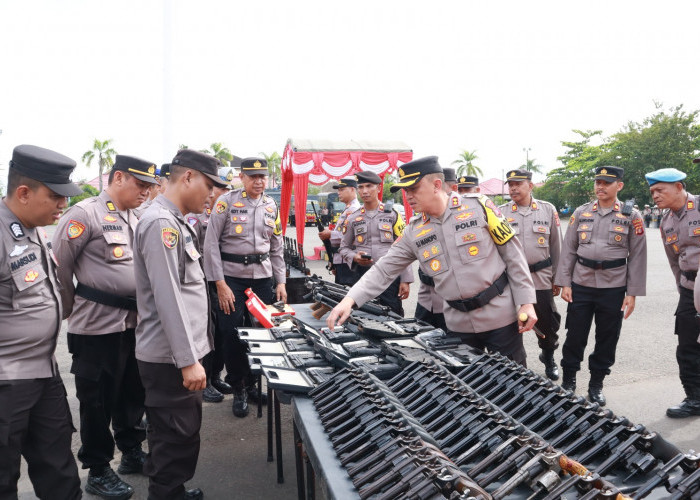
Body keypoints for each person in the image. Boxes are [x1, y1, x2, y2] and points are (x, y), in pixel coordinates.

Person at [328, 156, 537, 365]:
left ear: (437, 185)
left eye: (414, 189)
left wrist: (526, 302)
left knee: (513, 389)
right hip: (457, 326)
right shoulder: (414, 230)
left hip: (500, 318)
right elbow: (384, 269)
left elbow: (513, 254)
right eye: (405, 190)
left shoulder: (479, 206)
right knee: (469, 391)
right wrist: (350, 300)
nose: (408, 196)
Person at [53, 155, 158, 498]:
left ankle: (130, 452)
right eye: (140, 185)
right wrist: (70, 309)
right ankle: (98, 469)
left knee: (132, 393)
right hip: (96, 326)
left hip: (134, 323)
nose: (145, 192)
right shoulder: (84, 214)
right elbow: (60, 269)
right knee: (96, 399)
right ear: (117, 178)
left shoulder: (138, 216)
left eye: (148, 186)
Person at [134, 149, 227, 499]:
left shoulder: (174, 221)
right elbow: (168, 296)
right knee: (174, 437)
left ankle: (171, 490)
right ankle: (166, 493)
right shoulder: (160, 223)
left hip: (177, 355)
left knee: (178, 435)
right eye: (209, 184)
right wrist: (189, 360)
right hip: (170, 359)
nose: (213, 194)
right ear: (187, 177)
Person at [0, 144, 82, 499]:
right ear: (23, 192)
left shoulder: (33, 228)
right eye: (55, 196)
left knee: (59, 468)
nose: (63, 205)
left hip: (45, 373)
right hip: (7, 381)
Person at [556, 166, 647, 406]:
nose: (600, 187)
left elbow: (638, 255)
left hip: (614, 286)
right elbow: (568, 250)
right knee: (575, 334)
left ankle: (596, 384)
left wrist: (633, 293)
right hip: (581, 283)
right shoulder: (581, 212)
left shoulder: (631, 216)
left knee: (607, 337)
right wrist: (565, 283)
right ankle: (569, 380)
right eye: (598, 182)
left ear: (619, 186)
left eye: (606, 182)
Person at [203, 157, 286, 418]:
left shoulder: (272, 205)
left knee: (263, 332)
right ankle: (237, 385)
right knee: (231, 333)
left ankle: (252, 384)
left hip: (262, 277)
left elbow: (276, 246)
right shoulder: (226, 203)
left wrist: (280, 281)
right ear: (242, 177)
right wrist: (219, 283)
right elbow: (210, 245)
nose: (259, 181)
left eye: (262, 176)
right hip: (231, 279)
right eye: (253, 177)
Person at [646, 167, 700, 418]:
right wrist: (684, 292)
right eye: (652, 192)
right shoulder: (666, 221)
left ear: (679, 187)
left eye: (660, 190)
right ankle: (695, 399)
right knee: (687, 347)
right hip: (691, 291)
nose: (655, 196)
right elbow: (674, 261)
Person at [501, 169, 563, 380]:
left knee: (547, 321)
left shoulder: (547, 210)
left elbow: (556, 245)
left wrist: (558, 277)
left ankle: (548, 355)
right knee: (507, 322)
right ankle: (513, 363)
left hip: (541, 276)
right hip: (509, 278)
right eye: (510, 184)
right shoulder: (500, 212)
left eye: (518, 184)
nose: (513, 188)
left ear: (530, 185)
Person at [187, 167, 233, 403]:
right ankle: (204, 380)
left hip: (223, 280)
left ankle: (216, 375)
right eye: (221, 188)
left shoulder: (228, 213)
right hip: (202, 282)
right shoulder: (196, 216)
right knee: (207, 331)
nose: (225, 193)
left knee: (223, 332)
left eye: (228, 189)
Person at [339, 171, 413, 316]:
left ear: (379, 188)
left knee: (393, 315)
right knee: (363, 315)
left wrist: (406, 279)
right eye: (361, 187)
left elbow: (406, 248)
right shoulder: (353, 217)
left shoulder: (392, 214)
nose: (365, 191)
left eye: (369, 186)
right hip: (363, 277)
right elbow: (344, 248)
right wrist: (354, 257)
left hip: (389, 275)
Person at [413, 167, 457, 332]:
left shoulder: (468, 217)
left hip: (455, 301)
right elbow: (393, 260)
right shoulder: (417, 224)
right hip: (427, 298)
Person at [317, 177, 361, 285]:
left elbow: (352, 236)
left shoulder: (354, 209)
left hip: (348, 262)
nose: (338, 193)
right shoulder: (348, 209)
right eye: (338, 190)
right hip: (341, 260)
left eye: (342, 189)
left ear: (352, 189)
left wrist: (330, 234)